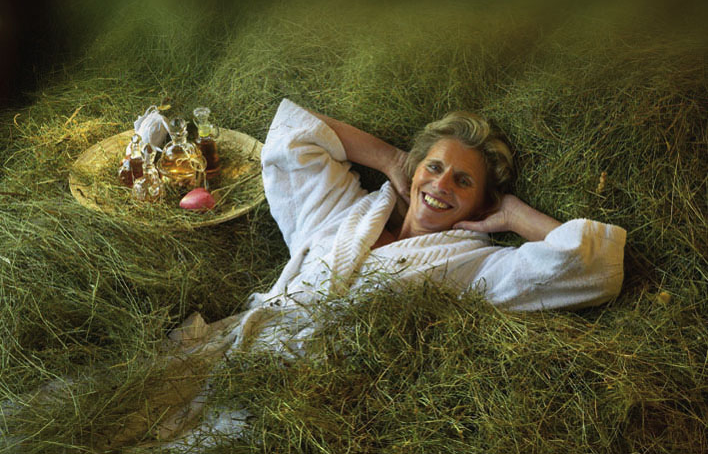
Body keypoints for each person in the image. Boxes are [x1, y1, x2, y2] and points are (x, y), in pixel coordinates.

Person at [108, 98, 627, 448]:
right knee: (109, 411)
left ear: (480, 202)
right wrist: (392, 159)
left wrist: (511, 214)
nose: (441, 184)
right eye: (434, 167)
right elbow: (293, 135)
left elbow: (590, 264)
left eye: (463, 181)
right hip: (236, 348)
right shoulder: (347, 210)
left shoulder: (475, 266)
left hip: (299, 398)